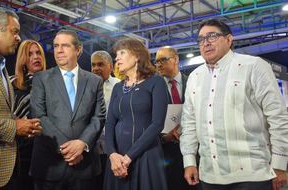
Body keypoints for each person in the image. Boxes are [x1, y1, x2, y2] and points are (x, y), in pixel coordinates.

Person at [180, 18, 288, 190]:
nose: (205, 43)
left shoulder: (253, 66)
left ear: (229, 40)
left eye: (212, 36)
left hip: (252, 174)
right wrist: (189, 161)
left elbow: (278, 116)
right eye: (201, 40)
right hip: (209, 174)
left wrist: (280, 164)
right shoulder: (195, 77)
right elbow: (189, 122)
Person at [30, 29, 106, 190]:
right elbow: (38, 116)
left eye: (64, 45)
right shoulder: (41, 79)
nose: (59, 50)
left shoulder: (94, 81)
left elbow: (98, 117)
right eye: (56, 46)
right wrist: (68, 149)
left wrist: (82, 144)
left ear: (78, 50)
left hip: (85, 167)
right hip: (49, 167)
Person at [0, 6, 42, 189]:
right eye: (15, 32)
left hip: (7, 171)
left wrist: (21, 123)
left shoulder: (1, 67)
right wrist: (14, 126)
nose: (19, 37)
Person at [104, 38, 168, 190]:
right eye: (116, 54)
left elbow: (157, 124)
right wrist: (112, 154)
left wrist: (128, 157)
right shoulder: (118, 88)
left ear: (137, 55)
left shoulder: (156, 82)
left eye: (122, 53)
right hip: (117, 160)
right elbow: (110, 123)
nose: (117, 58)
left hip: (145, 156)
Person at [155, 46, 199, 190]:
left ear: (176, 59)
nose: (159, 64)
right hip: (166, 153)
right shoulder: (153, 87)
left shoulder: (194, 82)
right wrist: (163, 137)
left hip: (195, 151)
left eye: (163, 60)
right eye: (156, 61)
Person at [10, 40, 46, 190]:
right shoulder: (11, 83)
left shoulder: (54, 84)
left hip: (44, 150)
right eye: (30, 54)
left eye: (38, 53)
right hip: (16, 150)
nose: (35, 57)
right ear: (23, 59)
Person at [91, 50, 120, 190]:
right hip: (92, 148)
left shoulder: (119, 85)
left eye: (100, 64)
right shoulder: (84, 86)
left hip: (115, 148)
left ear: (110, 66)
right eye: (93, 65)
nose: (96, 68)